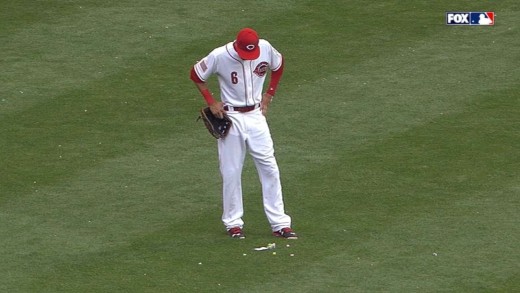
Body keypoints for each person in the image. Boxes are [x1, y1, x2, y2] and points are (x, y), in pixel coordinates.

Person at [190, 28, 297, 239]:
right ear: (237, 45)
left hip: (256, 116)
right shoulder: (219, 55)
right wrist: (211, 102)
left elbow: (279, 64)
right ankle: (233, 223)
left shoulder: (265, 48)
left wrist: (270, 94)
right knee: (231, 172)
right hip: (232, 118)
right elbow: (196, 74)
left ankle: (280, 224)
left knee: (270, 168)